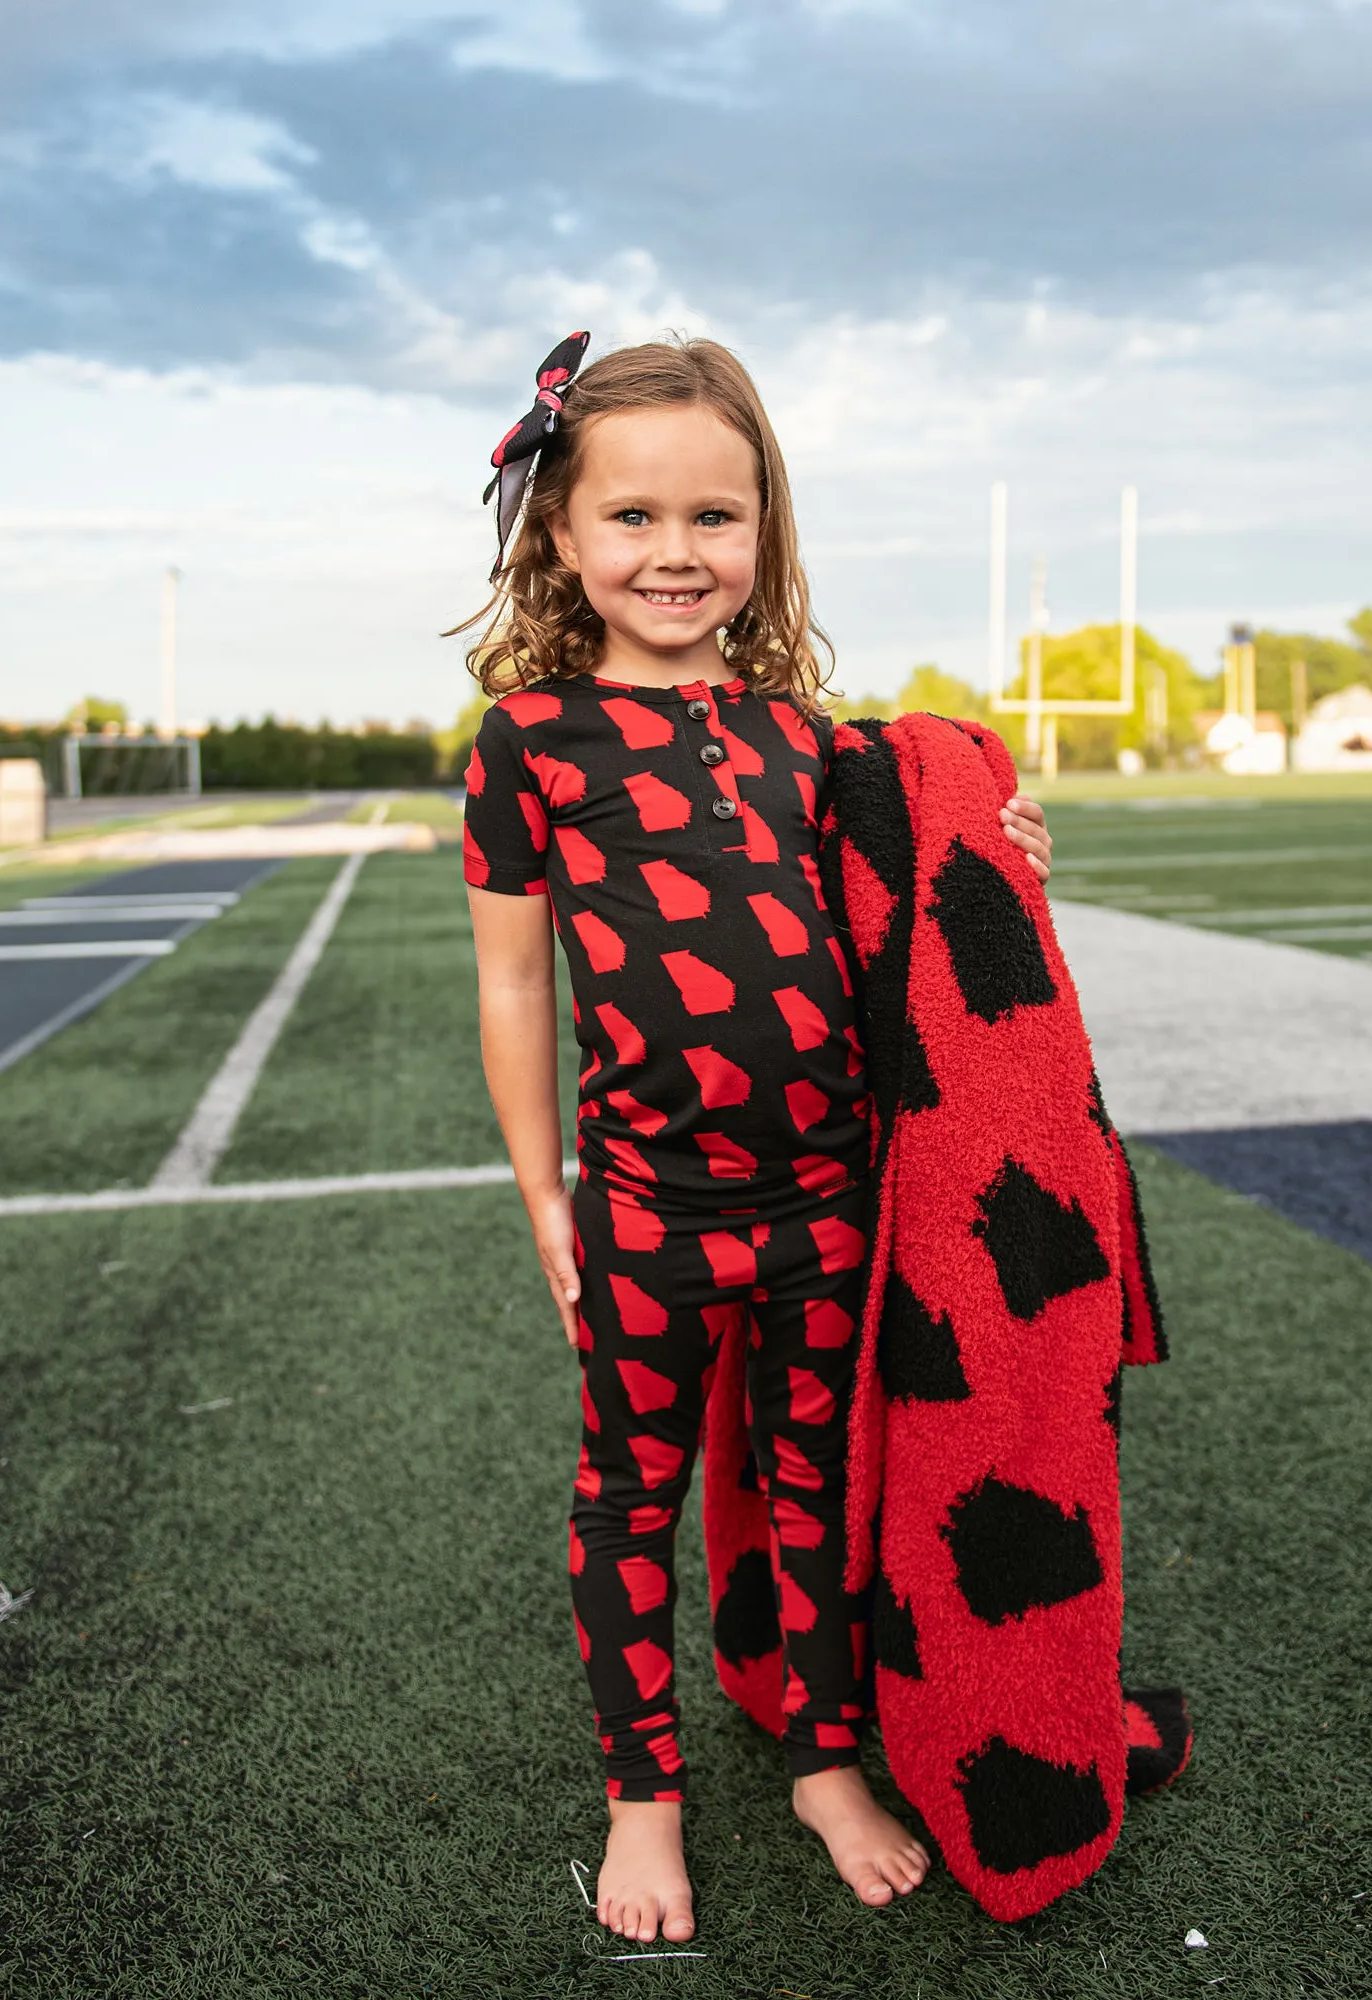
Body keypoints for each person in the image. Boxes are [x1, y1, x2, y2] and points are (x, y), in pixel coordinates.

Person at [457, 334, 1055, 1946]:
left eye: (716, 518)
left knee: (820, 1488)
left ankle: (822, 1758)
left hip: (829, 1200)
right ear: (562, 536)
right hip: (650, 1203)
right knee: (627, 1498)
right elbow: (516, 989)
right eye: (634, 517)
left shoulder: (812, 741)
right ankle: (642, 1796)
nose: (675, 553)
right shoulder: (529, 742)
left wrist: (1002, 846)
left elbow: (922, 913)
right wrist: (543, 1192)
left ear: (764, 534)